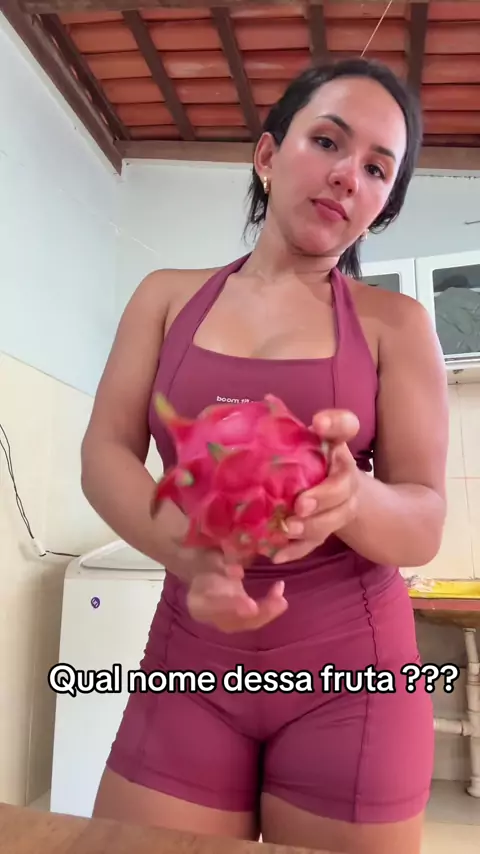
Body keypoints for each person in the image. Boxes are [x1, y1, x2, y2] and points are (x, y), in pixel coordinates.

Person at [80, 58, 449, 854]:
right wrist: (193, 557)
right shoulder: (165, 297)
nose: (348, 175)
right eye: (329, 142)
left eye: (378, 169)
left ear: (381, 208)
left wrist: (354, 498)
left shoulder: (397, 325)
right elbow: (105, 454)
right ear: (268, 154)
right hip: (190, 667)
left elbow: (423, 521)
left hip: (355, 683)